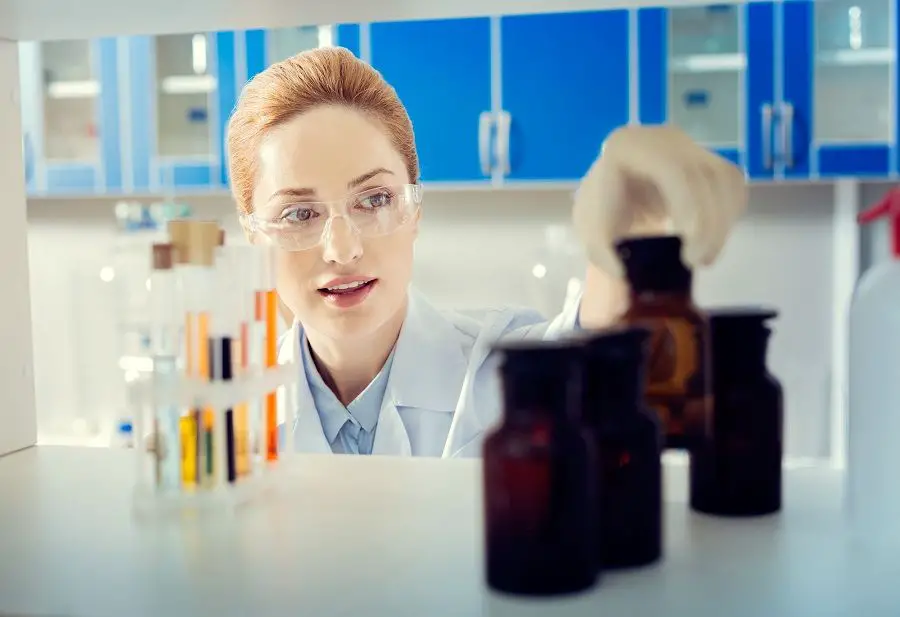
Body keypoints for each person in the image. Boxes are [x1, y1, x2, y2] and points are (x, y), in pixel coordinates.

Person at [226, 47, 747, 458]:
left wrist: (631, 232)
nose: (342, 249)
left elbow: (591, 342)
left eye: (375, 199)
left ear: (416, 212)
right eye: (299, 214)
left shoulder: (497, 367)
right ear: (255, 236)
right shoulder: (227, 416)